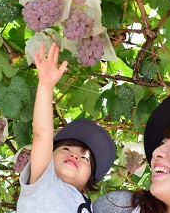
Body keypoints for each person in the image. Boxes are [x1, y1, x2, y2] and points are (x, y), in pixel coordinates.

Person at [16, 43, 116, 212]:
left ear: (86, 185)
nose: (74, 155)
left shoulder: (85, 203)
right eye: (67, 148)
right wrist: (46, 86)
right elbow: (42, 133)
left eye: (85, 159)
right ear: (48, 157)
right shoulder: (44, 181)